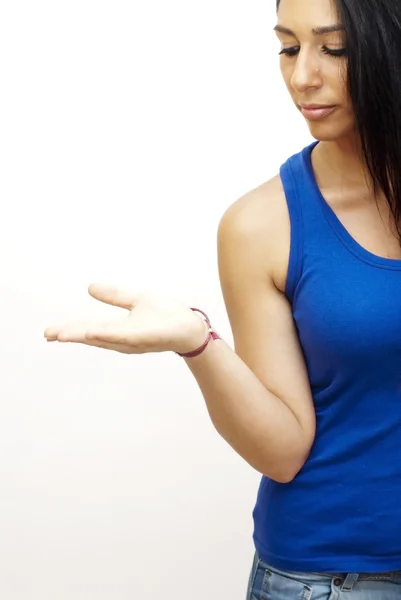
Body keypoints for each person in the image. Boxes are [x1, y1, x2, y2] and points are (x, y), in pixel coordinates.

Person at [44, 0, 401, 597]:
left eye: (333, 48)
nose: (302, 76)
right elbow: (283, 451)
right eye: (288, 47)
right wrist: (199, 345)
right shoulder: (262, 224)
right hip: (336, 579)